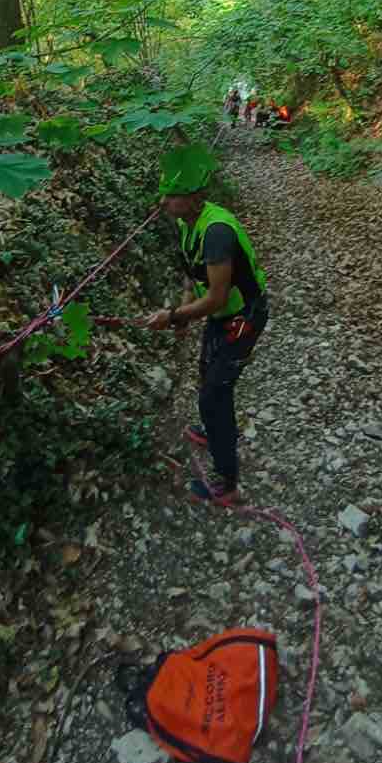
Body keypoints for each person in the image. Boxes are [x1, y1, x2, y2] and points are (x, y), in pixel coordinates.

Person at [144, 144, 269, 506]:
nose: (164, 201)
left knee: (216, 393)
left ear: (195, 198)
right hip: (220, 315)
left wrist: (173, 316)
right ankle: (212, 431)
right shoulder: (188, 226)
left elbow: (215, 296)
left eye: (173, 195)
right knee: (206, 373)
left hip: (244, 316)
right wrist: (182, 314)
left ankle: (226, 483)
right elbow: (191, 279)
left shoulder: (216, 232)